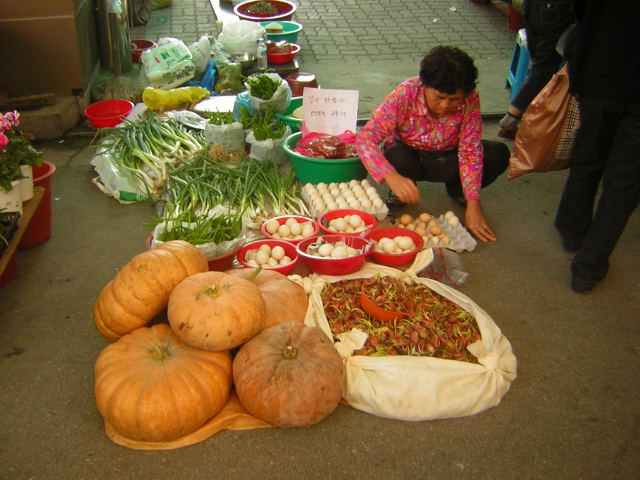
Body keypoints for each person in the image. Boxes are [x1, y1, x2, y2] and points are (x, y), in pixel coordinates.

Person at [354, 45, 510, 242]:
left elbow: (469, 151)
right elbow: (365, 139)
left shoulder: (470, 100)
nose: (445, 105)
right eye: (440, 97)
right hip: (414, 158)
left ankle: (458, 189)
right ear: (425, 85)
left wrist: (473, 203)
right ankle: (401, 190)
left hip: (450, 157)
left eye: (454, 99)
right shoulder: (406, 94)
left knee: (498, 153)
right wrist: (391, 176)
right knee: (396, 155)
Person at [554, 0, 640, 293]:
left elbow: (580, 8)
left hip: (601, 68)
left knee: (588, 161)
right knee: (624, 186)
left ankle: (571, 231)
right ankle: (587, 269)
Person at [498, 0, 575, 139]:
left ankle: (518, 116)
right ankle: (512, 117)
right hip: (554, 10)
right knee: (542, 70)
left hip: (535, 7)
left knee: (540, 65)